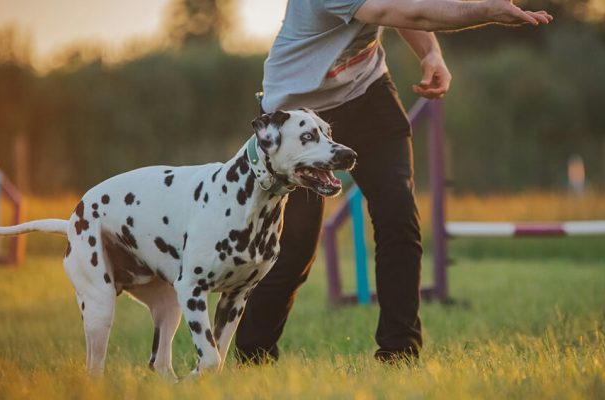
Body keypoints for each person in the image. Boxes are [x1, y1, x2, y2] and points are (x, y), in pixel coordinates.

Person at [235, 0, 553, 363]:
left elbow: (407, 4)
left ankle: (400, 354)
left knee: (398, 218)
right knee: (293, 251)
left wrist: (430, 53)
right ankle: (253, 359)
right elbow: (408, 13)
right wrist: (488, 11)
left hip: (368, 94)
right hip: (297, 115)